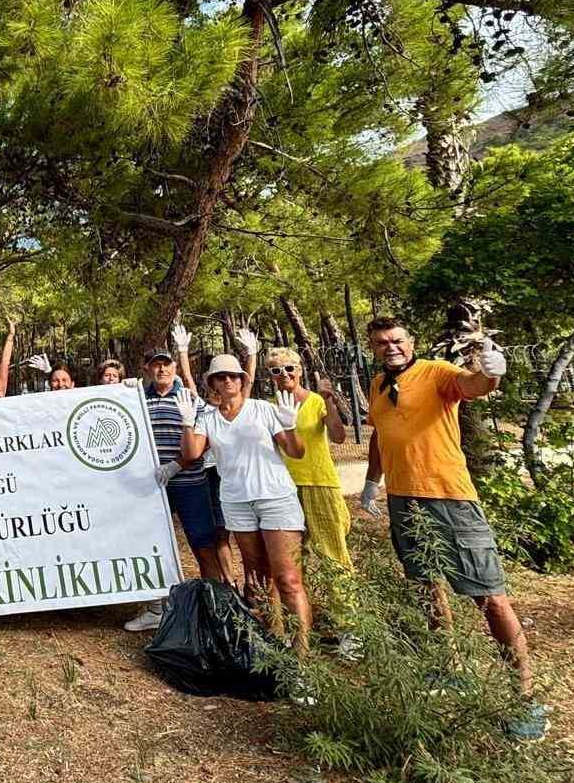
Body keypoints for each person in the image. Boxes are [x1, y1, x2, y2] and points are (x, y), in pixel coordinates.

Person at [357, 316, 544, 740]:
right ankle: (450, 666)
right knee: (426, 584)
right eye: (381, 342)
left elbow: (472, 386)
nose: (390, 347)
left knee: (489, 596)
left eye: (397, 340)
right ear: (373, 347)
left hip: (449, 498)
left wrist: (489, 374)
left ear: (411, 341)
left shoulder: (437, 373)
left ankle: (525, 698)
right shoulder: (377, 384)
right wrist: (373, 480)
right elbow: (381, 434)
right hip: (404, 499)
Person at [178, 352, 312, 654]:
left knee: (288, 578)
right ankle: (272, 645)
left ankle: (303, 656)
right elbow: (190, 455)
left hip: (275, 498)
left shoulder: (262, 409)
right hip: (237, 503)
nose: (227, 381)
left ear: (242, 380)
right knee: (258, 577)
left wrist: (290, 426)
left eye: (233, 376)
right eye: (220, 377)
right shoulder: (207, 418)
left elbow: (296, 451)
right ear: (212, 383)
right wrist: (187, 423)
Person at [125, 323, 235, 634]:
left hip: (190, 485)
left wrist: (178, 464)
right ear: (147, 369)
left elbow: (206, 439)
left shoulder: (190, 398)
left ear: (174, 367)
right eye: (155, 364)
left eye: (166, 364)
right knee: (152, 546)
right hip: (150, 487)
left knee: (203, 544)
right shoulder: (135, 398)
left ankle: (218, 608)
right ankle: (157, 608)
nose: (161, 369)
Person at [266, 348, 352, 570]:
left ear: (300, 370)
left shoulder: (316, 401)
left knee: (332, 550)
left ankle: (344, 603)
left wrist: (329, 401)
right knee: (293, 556)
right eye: (276, 370)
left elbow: (338, 437)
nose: (284, 374)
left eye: (289, 368)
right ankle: (303, 603)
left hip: (318, 481)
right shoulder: (268, 406)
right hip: (283, 487)